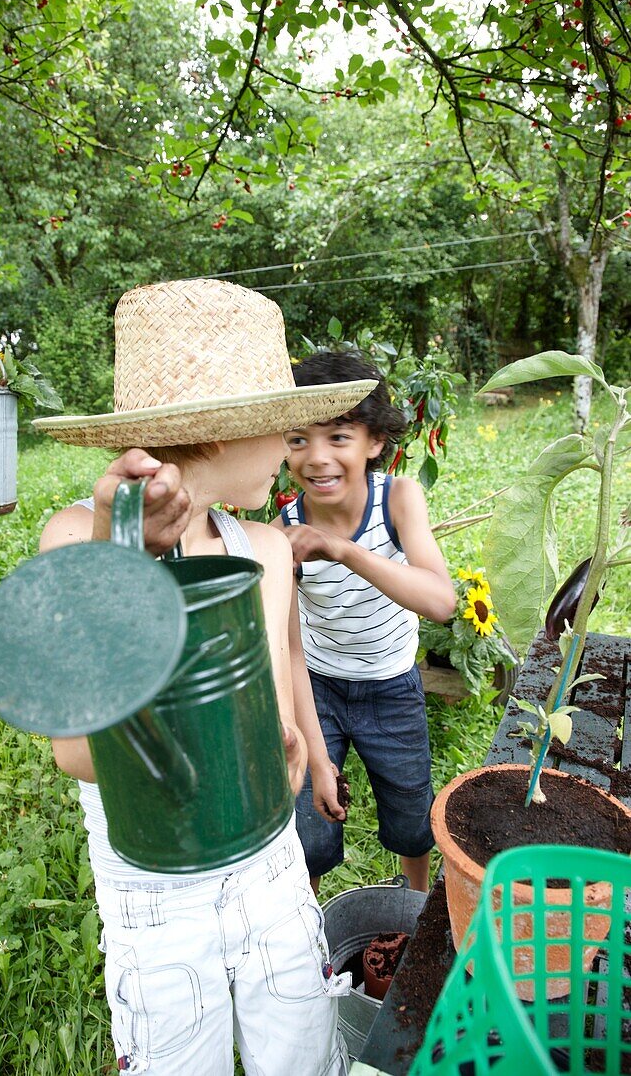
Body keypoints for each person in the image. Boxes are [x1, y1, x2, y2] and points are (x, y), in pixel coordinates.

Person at [33, 280, 377, 1076]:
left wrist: (300, 750)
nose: (295, 452)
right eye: (282, 432)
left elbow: (283, 675)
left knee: (295, 1038)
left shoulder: (262, 549)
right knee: (174, 1053)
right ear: (223, 437)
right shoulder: (75, 540)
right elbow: (79, 752)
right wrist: (127, 562)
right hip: (156, 884)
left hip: (268, 861)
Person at [271, 351, 456, 896]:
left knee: (410, 816)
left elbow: (441, 600)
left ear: (375, 442)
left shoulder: (399, 498)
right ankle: (306, 928)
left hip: (392, 686)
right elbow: (292, 650)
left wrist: (342, 550)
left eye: (338, 437)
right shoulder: (285, 528)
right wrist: (317, 751)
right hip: (319, 689)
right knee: (311, 824)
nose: (317, 457)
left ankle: (415, 906)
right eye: (299, 439)